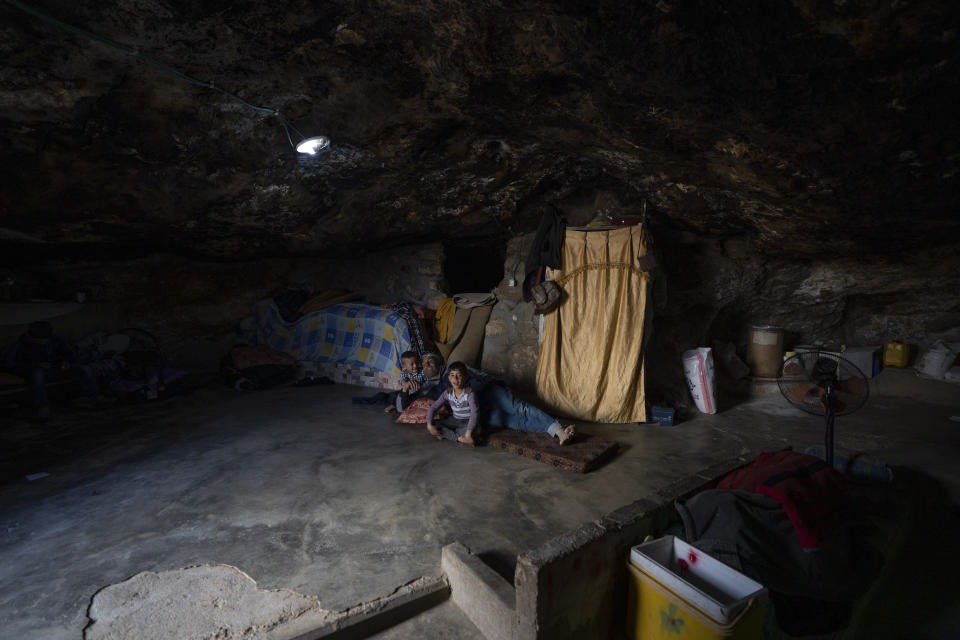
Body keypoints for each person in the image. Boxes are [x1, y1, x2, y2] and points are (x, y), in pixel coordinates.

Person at [418, 353, 576, 445]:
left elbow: (480, 375)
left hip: (490, 392)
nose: (428, 363)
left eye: (430, 360)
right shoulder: (433, 387)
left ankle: (559, 431)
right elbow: (428, 404)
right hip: (483, 413)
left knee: (520, 409)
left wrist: (500, 384)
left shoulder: (454, 366)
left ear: (438, 361)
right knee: (517, 422)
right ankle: (559, 429)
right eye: (424, 363)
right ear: (422, 369)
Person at [2, 320, 101, 419]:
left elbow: (70, 355)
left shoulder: (57, 340)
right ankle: (42, 407)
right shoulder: (21, 345)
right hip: (37, 373)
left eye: (45, 339)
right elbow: (11, 365)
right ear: (31, 337)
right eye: (39, 340)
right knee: (38, 375)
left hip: (58, 369)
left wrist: (66, 362)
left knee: (85, 368)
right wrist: (37, 365)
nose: (43, 342)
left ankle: (95, 398)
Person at [426, 361, 478, 446]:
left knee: (476, 430)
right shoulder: (448, 393)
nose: (455, 379)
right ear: (449, 378)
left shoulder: (469, 394)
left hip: (468, 422)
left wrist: (468, 434)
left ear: (466, 377)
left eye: (459, 375)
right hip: (455, 420)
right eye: (452, 375)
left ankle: (457, 436)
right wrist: (429, 425)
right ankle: (460, 438)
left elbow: (474, 413)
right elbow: (433, 408)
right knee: (434, 425)